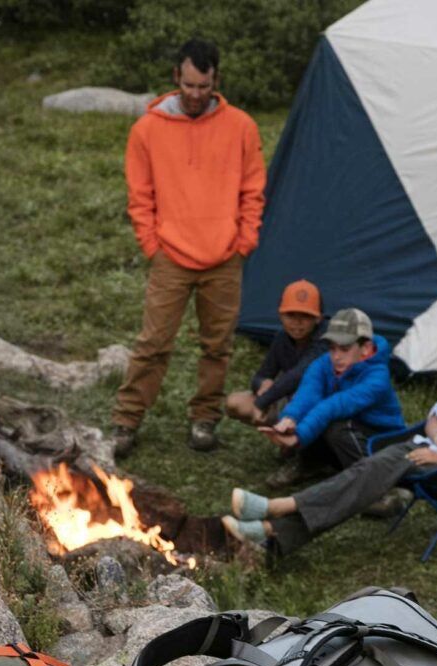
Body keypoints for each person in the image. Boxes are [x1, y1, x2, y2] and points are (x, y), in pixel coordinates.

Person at [221, 310, 437, 556]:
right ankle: (270, 535)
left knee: (369, 469)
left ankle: (278, 509)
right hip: (428, 447)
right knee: (363, 479)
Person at [112, 38, 266, 458]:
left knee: (217, 346)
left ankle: (205, 418)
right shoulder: (147, 130)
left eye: (204, 86)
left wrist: (244, 240)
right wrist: (151, 244)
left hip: (225, 257)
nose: (196, 95)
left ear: (216, 80)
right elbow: (140, 195)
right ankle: (126, 422)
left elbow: (252, 190)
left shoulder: (242, 127)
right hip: (171, 256)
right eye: (189, 85)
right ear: (175, 78)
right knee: (153, 343)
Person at [258, 307, 405, 489]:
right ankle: (313, 464)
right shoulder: (323, 364)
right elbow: (307, 393)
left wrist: (299, 437)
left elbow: (334, 406)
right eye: (332, 348)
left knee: (336, 424)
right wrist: (290, 419)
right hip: (349, 438)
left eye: (344, 349)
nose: (336, 356)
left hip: (382, 443)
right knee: (304, 408)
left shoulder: (377, 377)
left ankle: (377, 483)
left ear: (366, 348)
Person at [225, 279, 325, 426]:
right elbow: (261, 375)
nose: (297, 322)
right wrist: (262, 384)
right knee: (235, 402)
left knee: (298, 398)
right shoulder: (282, 337)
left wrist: (261, 403)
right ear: (280, 315)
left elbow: (299, 374)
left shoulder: (325, 338)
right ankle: (280, 429)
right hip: (285, 395)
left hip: (318, 401)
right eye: (290, 315)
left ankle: (296, 442)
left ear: (318, 318)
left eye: (305, 316)